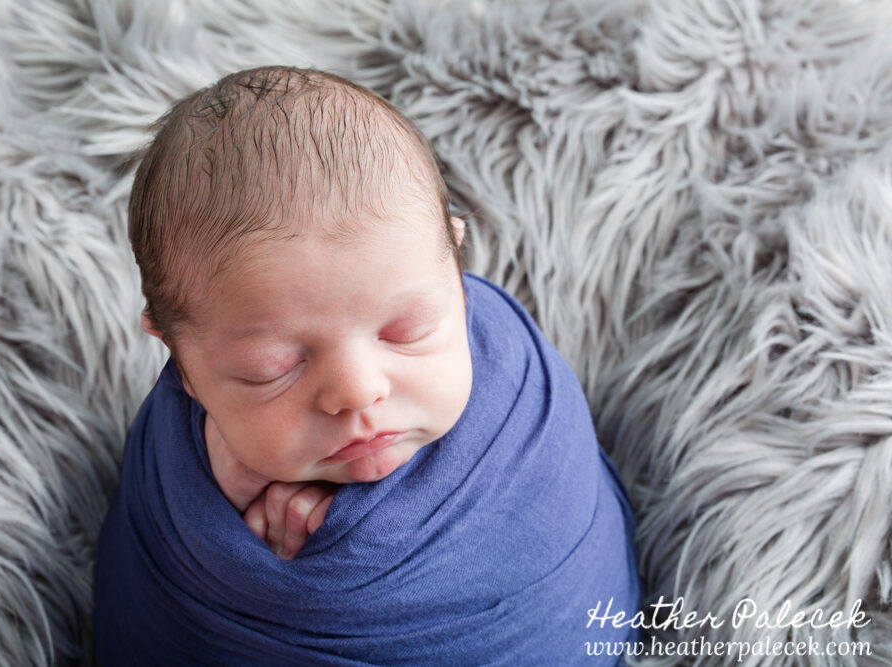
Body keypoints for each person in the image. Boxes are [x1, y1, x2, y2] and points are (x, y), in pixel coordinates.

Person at [94, 66, 641, 665]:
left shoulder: (515, 385)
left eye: (405, 331)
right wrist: (223, 489)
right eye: (270, 368)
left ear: (454, 260)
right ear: (179, 358)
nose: (357, 391)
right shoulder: (170, 459)